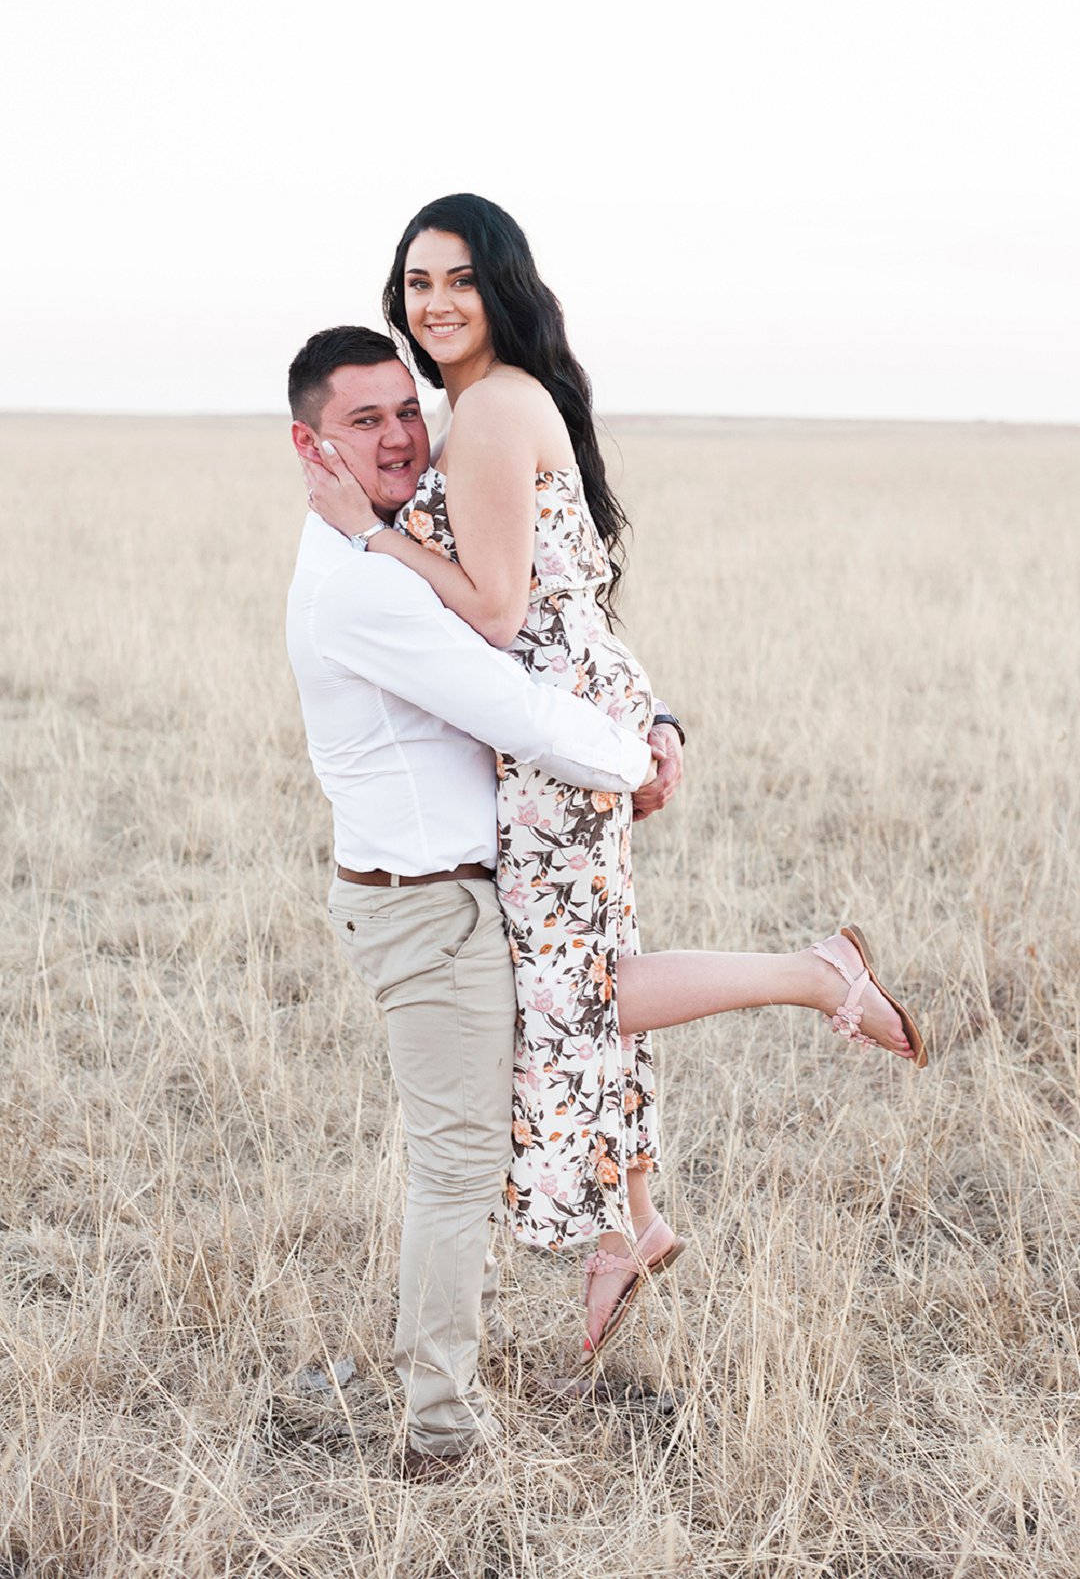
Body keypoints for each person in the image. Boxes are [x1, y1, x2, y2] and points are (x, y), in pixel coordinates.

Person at [305, 194, 928, 1371]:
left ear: (501, 287)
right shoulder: (499, 403)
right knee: (579, 971)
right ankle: (631, 1224)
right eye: (418, 281)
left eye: (459, 281)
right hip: (567, 722)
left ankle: (815, 974)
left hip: (549, 741)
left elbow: (495, 610)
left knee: (572, 988)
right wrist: (648, 712)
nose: (435, 303)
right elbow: (568, 599)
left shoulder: (489, 413)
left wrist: (367, 535)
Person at [285, 325, 662, 1477]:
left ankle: (441, 1376)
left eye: (407, 409)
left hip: (449, 901)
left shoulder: (390, 549)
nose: (400, 435)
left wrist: (656, 721)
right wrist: (637, 760)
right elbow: (517, 706)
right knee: (454, 1175)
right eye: (364, 421)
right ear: (310, 444)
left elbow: (550, 645)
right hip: (430, 913)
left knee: (466, 1163)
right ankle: (440, 1431)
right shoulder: (360, 586)